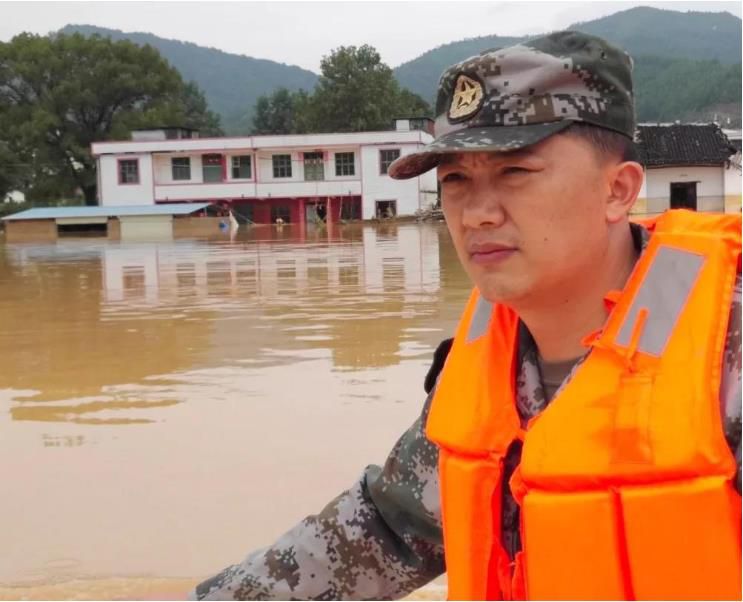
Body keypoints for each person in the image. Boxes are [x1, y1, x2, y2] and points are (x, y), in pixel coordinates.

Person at [191, 31, 741, 601]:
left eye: (515, 172)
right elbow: (387, 529)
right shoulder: (485, 367)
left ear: (618, 190)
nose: (476, 214)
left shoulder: (725, 358)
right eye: (455, 180)